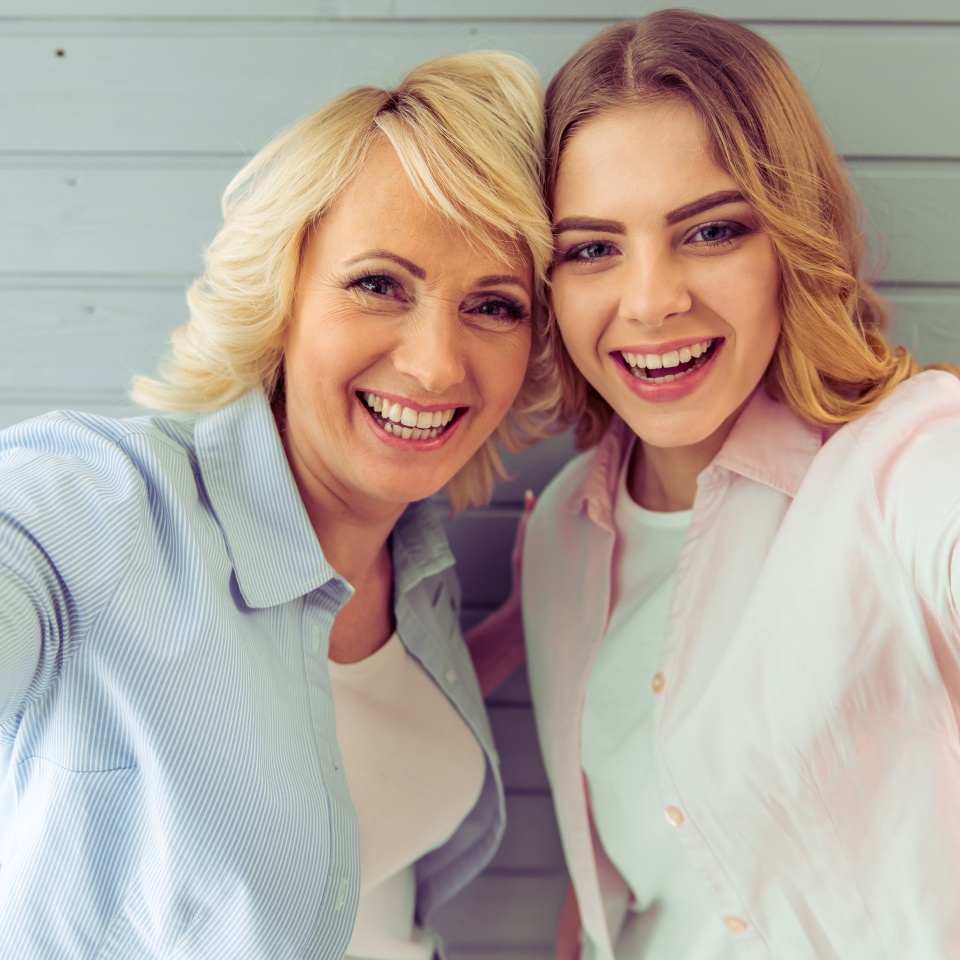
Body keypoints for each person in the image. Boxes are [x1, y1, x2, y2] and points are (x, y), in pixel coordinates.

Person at [0, 51, 553, 959]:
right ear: (285, 294)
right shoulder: (105, 508)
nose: (436, 365)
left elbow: (338, 711)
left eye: (493, 305)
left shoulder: (418, 561)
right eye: (379, 284)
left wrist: (527, 625)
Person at [522, 9, 960, 959]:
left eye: (711, 231)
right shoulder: (561, 530)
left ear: (790, 246)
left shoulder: (910, 462)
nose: (651, 300)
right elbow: (621, 890)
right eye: (593, 248)